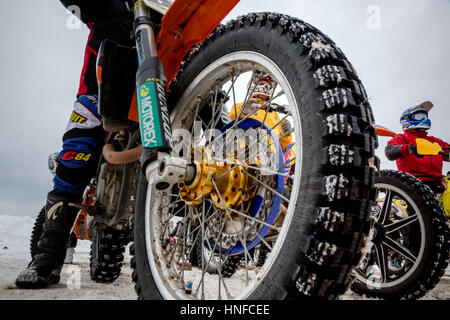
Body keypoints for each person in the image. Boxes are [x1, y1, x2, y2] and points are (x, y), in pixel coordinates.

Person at [15, 0, 134, 289]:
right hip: (99, 95)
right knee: (76, 155)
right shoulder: (115, 7)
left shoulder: (169, 9)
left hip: (157, 97)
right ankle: (47, 257)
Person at [385, 101, 450, 193]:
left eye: (425, 116)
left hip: (438, 182)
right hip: (413, 182)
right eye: (420, 116)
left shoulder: (434, 141)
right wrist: (408, 148)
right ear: (406, 119)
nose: (425, 119)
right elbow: (389, 151)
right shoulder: (402, 138)